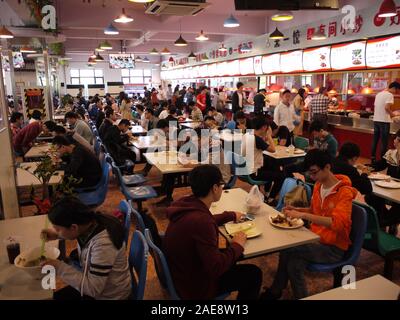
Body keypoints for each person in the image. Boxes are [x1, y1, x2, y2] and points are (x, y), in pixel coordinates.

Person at [262, 149, 357, 300]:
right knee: (294, 265)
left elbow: (338, 224)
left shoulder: (344, 192)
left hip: (333, 248)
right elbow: (315, 210)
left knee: (287, 248)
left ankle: (276, 290)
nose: (312, 177)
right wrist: (297, 209)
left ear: (327, 167)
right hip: (315, 240)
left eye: (314, 172)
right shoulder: (319, 185)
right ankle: (285, 292)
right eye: (310, 174)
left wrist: (303, 215)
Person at [163, 165, 262, 300]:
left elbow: (203, 220)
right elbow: (216, 267)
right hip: (195, 287)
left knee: (230, 256)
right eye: (221, 184)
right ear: (215, 188)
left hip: (182, 270)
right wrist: (238, 245)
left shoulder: (186, 202)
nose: (222, 188)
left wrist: (230, 215)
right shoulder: (202, 222)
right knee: (253, 274)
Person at [41, 196, 131, 300]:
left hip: (110, 296)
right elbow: (72, 232)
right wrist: (57, 235)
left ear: (74, 227)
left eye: (57, 229)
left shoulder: (103, 244)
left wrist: (59, 267)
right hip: (99, 285)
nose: (55, 230)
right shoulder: (90, 223)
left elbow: (93, 289)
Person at [241, 117, 285, 204]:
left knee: (272, 164)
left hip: (246, 169)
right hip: (254, 173)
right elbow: (273, 149)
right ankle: (270, 199)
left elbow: (260, 145)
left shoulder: (247, 134)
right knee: (281, 176)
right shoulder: (257, 139)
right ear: (264, 127)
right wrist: (269, 135)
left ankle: (267, 193)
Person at [366, 129, 400, 229]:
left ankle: (384, 223)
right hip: (389, 188)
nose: (394, 141)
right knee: (370, 197)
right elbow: (379, 165)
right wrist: (365, 168)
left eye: (397, 139)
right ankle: (384, 220)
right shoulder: (391, 153)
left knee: (398, 208)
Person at [371, 81, 400, 163]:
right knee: (384, 141)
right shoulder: (389, 95)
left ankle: (372, 158)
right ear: (394, 88)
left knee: (375, 140)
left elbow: (376, 106)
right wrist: (393, 115)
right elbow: (387, 108)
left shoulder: (379, 94)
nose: (396, 93)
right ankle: (383, 161)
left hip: (376, 120)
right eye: (396, 90)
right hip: (384, 121)